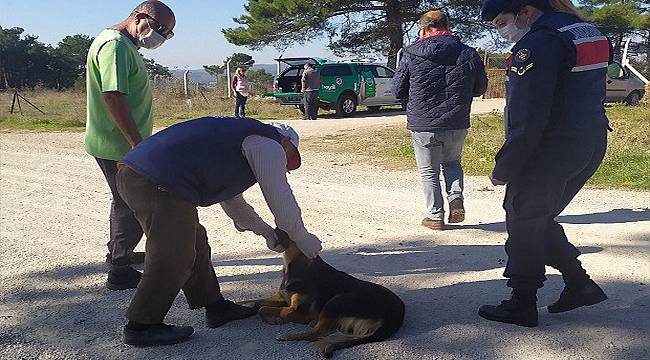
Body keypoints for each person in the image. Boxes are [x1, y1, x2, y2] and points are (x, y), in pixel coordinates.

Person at [115, 116, 323, 346]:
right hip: (152, 179)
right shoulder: (266, 142)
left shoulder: (235, 141)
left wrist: (266, 232)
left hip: (144, 176)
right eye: (289, 156)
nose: (284, 164)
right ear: (286, 140)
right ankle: (142, 326)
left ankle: (215, 306)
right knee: (173, 253)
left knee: (194, 241)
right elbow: (279, 194)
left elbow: (234, 204)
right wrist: (300, 235)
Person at [478, 0, 611, 327]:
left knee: (523, 217)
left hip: (553, 147)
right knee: (538, 216)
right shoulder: (584, 30)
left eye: (501, 22)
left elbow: (530, 117)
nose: (502, 31)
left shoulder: (539, 43)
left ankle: (521, 303)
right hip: (590, 139)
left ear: (525, 11)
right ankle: (579, 284)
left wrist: (504, 167)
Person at [85, 0, 175, 291]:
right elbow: (113, 96)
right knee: (132, 203)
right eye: (161, 29)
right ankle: (120, 270)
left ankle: (118, 253)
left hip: (118, 141)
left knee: (122, 200)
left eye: (168, 34)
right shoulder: (115, 46)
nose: (162, 37)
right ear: (139, 18)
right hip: (118, 144)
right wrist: (137, 145)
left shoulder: (124, 45)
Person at [391, 10, 488, 231]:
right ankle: (456, 198)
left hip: (423, 123)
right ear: (447, 25)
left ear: (423, 29)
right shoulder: (469, 53)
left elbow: (397, 91)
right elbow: (480, 88)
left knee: (428, 171)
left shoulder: (410, 53)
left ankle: (435, 216)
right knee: (452, 163)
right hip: (456, 121)